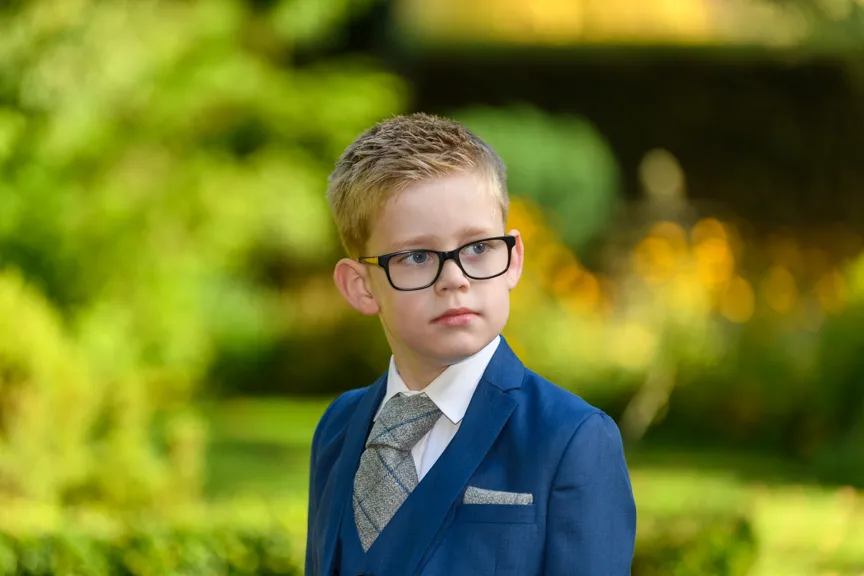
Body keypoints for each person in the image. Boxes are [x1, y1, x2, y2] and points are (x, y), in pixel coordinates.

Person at [305, 113, 636, 576]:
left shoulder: (571, 439)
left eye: (478, 248)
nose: (455, 279)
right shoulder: (338, 429)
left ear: (513, 258)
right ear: (360, 286)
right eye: (417, 257)